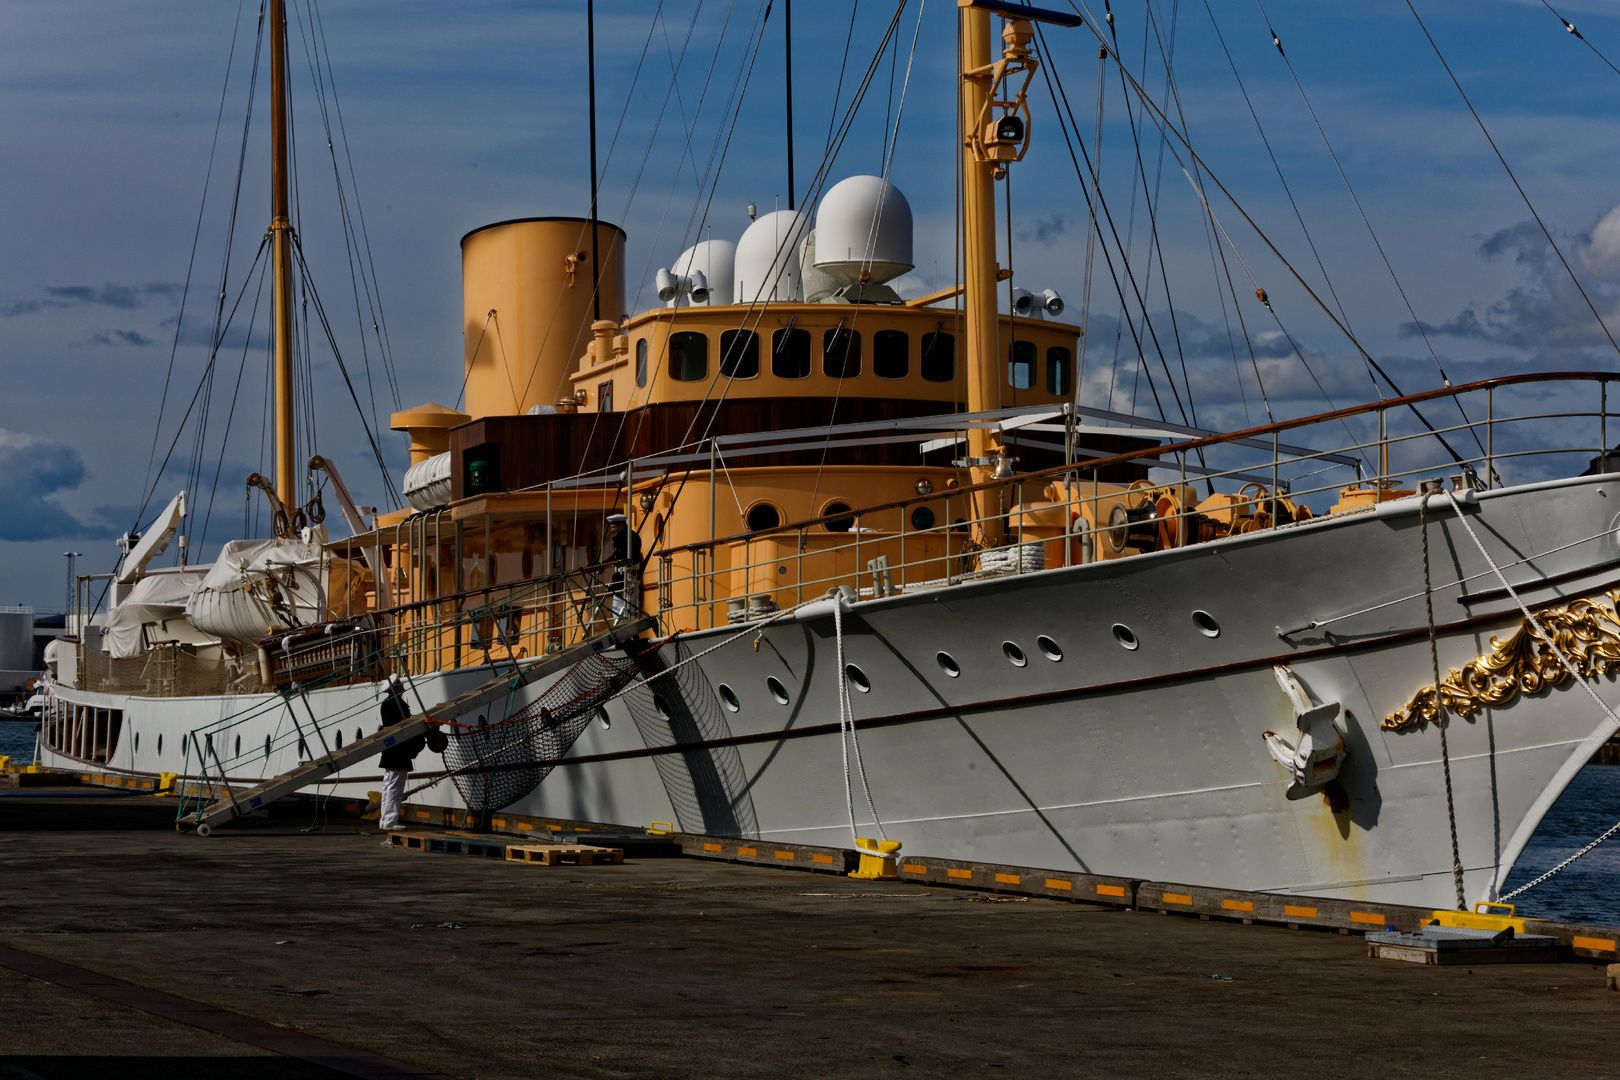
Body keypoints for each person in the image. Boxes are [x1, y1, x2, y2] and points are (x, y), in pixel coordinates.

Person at [377, 674, 425, 831]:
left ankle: (384, 820)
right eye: (400, 683)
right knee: (395, 789)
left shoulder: (385, 704)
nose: (403, 685)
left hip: (390, 751)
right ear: (396, 687)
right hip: (399, 752)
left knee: (387, 786)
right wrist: (414, 748)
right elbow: (406, 729)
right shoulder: (399, 705)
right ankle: (390, 821)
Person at [604, 512, 641, 618]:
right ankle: (622, 632)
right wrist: (602, 564)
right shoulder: (622, 538)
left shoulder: (631, 538)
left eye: (613, 527)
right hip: (619, 578)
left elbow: (626, 557)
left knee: (629, 608)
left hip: (628, 577)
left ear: (621, 525)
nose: (612, 530)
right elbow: (616, 556)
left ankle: (631, 634)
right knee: (616, 609)